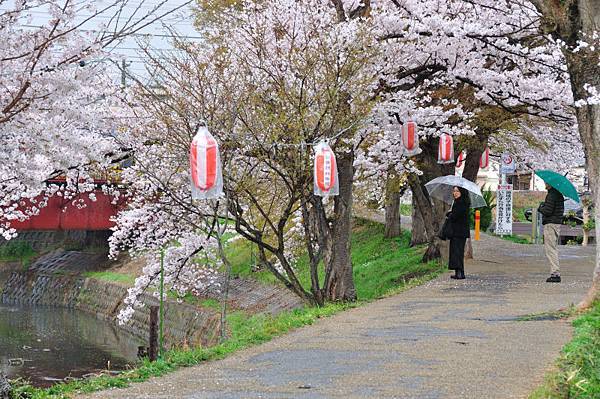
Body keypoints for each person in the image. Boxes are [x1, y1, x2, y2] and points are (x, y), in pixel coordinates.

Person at [538, 183, 564, 283]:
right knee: (553, 248)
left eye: (546, 183)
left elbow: (548, 211)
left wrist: (541, 207)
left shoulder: (552, 195)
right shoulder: (558, 195)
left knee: (551, 249)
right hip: (556, 224)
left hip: (550, 224)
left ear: (551, 184)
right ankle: (555, 272)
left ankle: (555, 274)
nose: (545, 184)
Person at [447, 186, 471, 279]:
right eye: (454, 191)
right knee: (456, 252)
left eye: (457, 191)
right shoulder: (459, 202)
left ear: (462, 192)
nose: (455, 193)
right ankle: (458, 272)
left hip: (459, 232)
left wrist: (449, 213)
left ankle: (460, 273)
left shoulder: (461, 203)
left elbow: (455, 216)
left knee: (457, 252)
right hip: (458, 232)